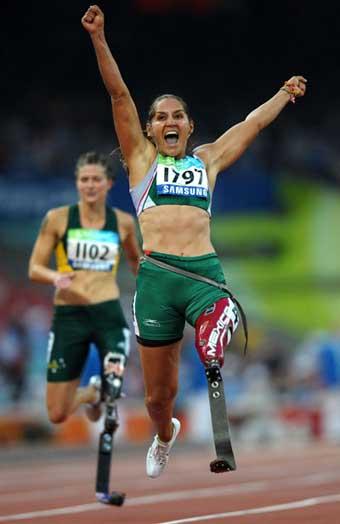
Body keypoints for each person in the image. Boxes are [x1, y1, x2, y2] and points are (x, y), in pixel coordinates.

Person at [81, 5, 307, 478]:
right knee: (157, 398)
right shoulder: (141, 161)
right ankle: (166, 434)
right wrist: (99, 38)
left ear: (189, 126)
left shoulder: (206, 162)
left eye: (178, 115)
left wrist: (284, 94)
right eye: (161, 116)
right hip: (158, 279)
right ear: (148, 129)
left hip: (204, 275)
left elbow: (252, 124)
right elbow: (119, 95)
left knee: (211, 331)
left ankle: (217, 323)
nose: (170, 120)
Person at [28, 151, 140, 425]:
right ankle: (92, 392)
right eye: (84, 179)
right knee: (56, 413)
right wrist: (56, 278)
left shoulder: (124, 223)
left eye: (96, 179)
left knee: (114, 383)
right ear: (77, 183)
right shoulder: (57, 219)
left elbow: (137, 264)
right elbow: (34, 268)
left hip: (108, 315)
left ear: (109, 183)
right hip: (69, 316)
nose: (90, 185)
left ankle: (106, 387)